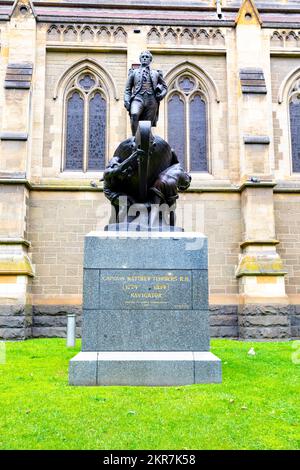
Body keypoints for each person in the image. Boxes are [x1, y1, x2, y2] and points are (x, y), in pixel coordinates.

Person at [124, 51, 168, 135]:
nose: (144, 58)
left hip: (152, 100)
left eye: (147, 57)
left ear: (150, 60)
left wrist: (161, 95)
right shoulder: (134, 73)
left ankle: (145, 142)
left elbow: (165, 87)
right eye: (143, 57)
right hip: (137, 98)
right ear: (140, 59)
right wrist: (126, 100)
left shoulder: (156, 73)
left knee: (147, 124)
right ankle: (134, 137)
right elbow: (128, 89)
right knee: (134, 114)